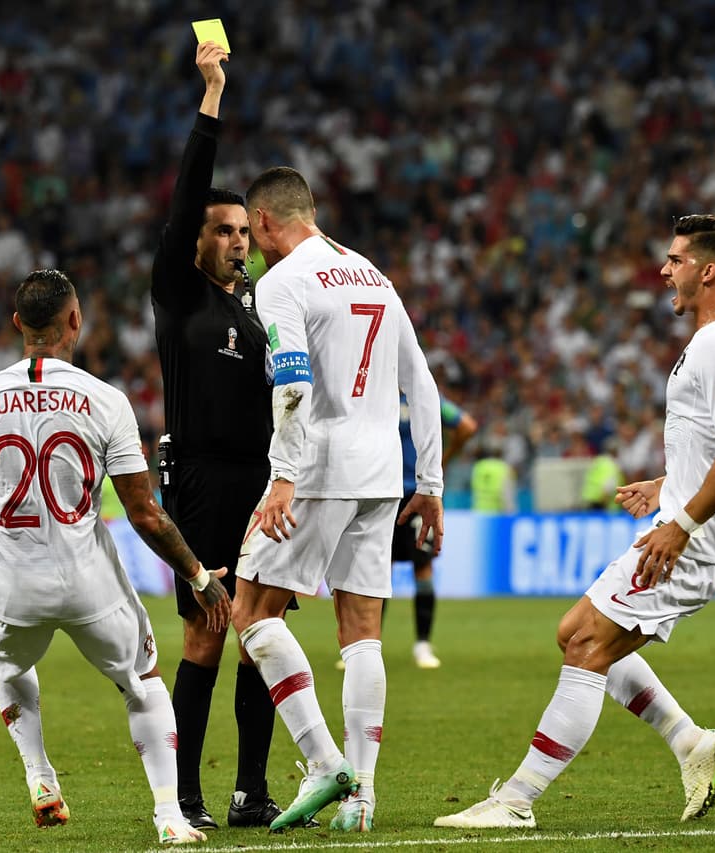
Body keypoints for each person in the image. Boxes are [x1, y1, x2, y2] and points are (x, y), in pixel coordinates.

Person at [437, 214, 715, 829]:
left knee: (589, 644)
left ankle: (516, 801)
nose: (664, 270)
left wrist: (683, 524)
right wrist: (667, 486)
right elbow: (714, 447)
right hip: (689, 524)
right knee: (575, 633)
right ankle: (688, 741)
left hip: (697, 538)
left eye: (675, 259)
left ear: (708, 270)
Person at [0, 269, 229, 845]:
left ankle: (40, 776)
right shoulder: (106, 401)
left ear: (18, 323)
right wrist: (197, 575)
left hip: (10, 588)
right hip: (89, 583)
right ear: (76, 321)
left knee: (8, 667)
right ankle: (170, 815)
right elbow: (146, 513)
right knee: (142, 681)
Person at [231, 166, 445, 833]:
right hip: (383, 474)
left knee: (252, 612)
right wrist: (430, 484)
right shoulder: (372, 275)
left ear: (264, 221)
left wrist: (284, 473)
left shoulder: (282, 283)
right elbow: (423, 383)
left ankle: (324, 761)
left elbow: (290, 382)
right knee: (362, 632)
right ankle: (363, 797)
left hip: (319, 466)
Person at [150, 40, 288, 830]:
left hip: (262, 483)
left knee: (260, 635)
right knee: (207, 635)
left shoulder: (256, 307)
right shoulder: (179, 294)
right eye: (225, 230)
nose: (239, 241)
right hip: (201, 482)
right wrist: (212, 94)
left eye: (244, 231)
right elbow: (184, 198)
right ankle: (184, 796)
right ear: (197, 239)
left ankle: (250, 792)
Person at [393, 393, 476, 669]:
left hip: (403, 491)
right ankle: (417, 647)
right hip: (395, 491)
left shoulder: (422, 394)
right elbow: (466, 425)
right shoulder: (425, 394)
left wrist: (442, 462)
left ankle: (413, 643)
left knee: (403, 567)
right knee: (390, 568)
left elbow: (466, 426)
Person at [581, 436, 625, 511]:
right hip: (604, 507)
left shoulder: (599, 461)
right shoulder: (612, 465)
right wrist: (604, 509)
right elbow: (608, 488)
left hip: (590, 500)